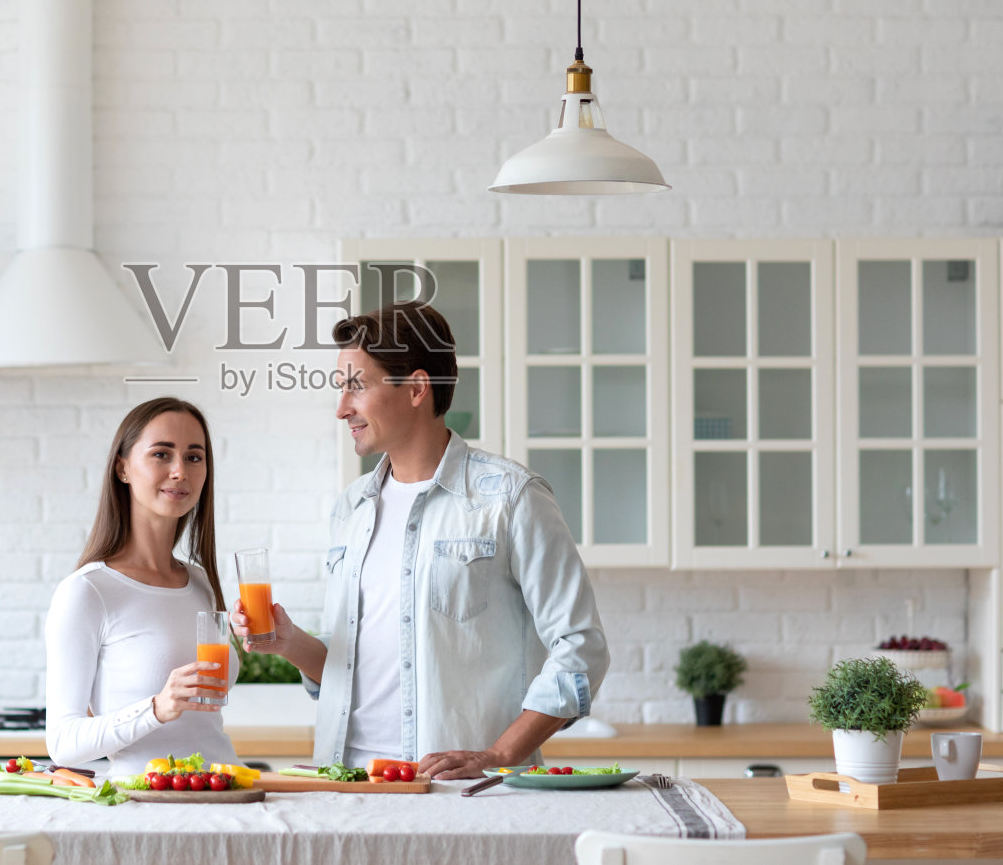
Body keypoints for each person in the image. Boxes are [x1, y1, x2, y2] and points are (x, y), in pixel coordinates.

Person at [232, 302, 608, 779]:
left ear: (415, 388)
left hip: (461, 794)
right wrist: (291, 644)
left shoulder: (511, 498)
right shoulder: (352, 508)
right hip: (350, 784)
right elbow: (355, 672)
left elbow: (581, 646)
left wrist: (498, 755)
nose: (341, 409)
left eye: (357, 387)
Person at [45, 397, 240, 777]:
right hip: (146, 802)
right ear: (123, 468)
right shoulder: (88, 591)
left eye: (194, 457)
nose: (180, 471)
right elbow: (63, 742)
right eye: (161, 454)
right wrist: (156, 708)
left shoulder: (201, 582)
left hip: (226, 790)